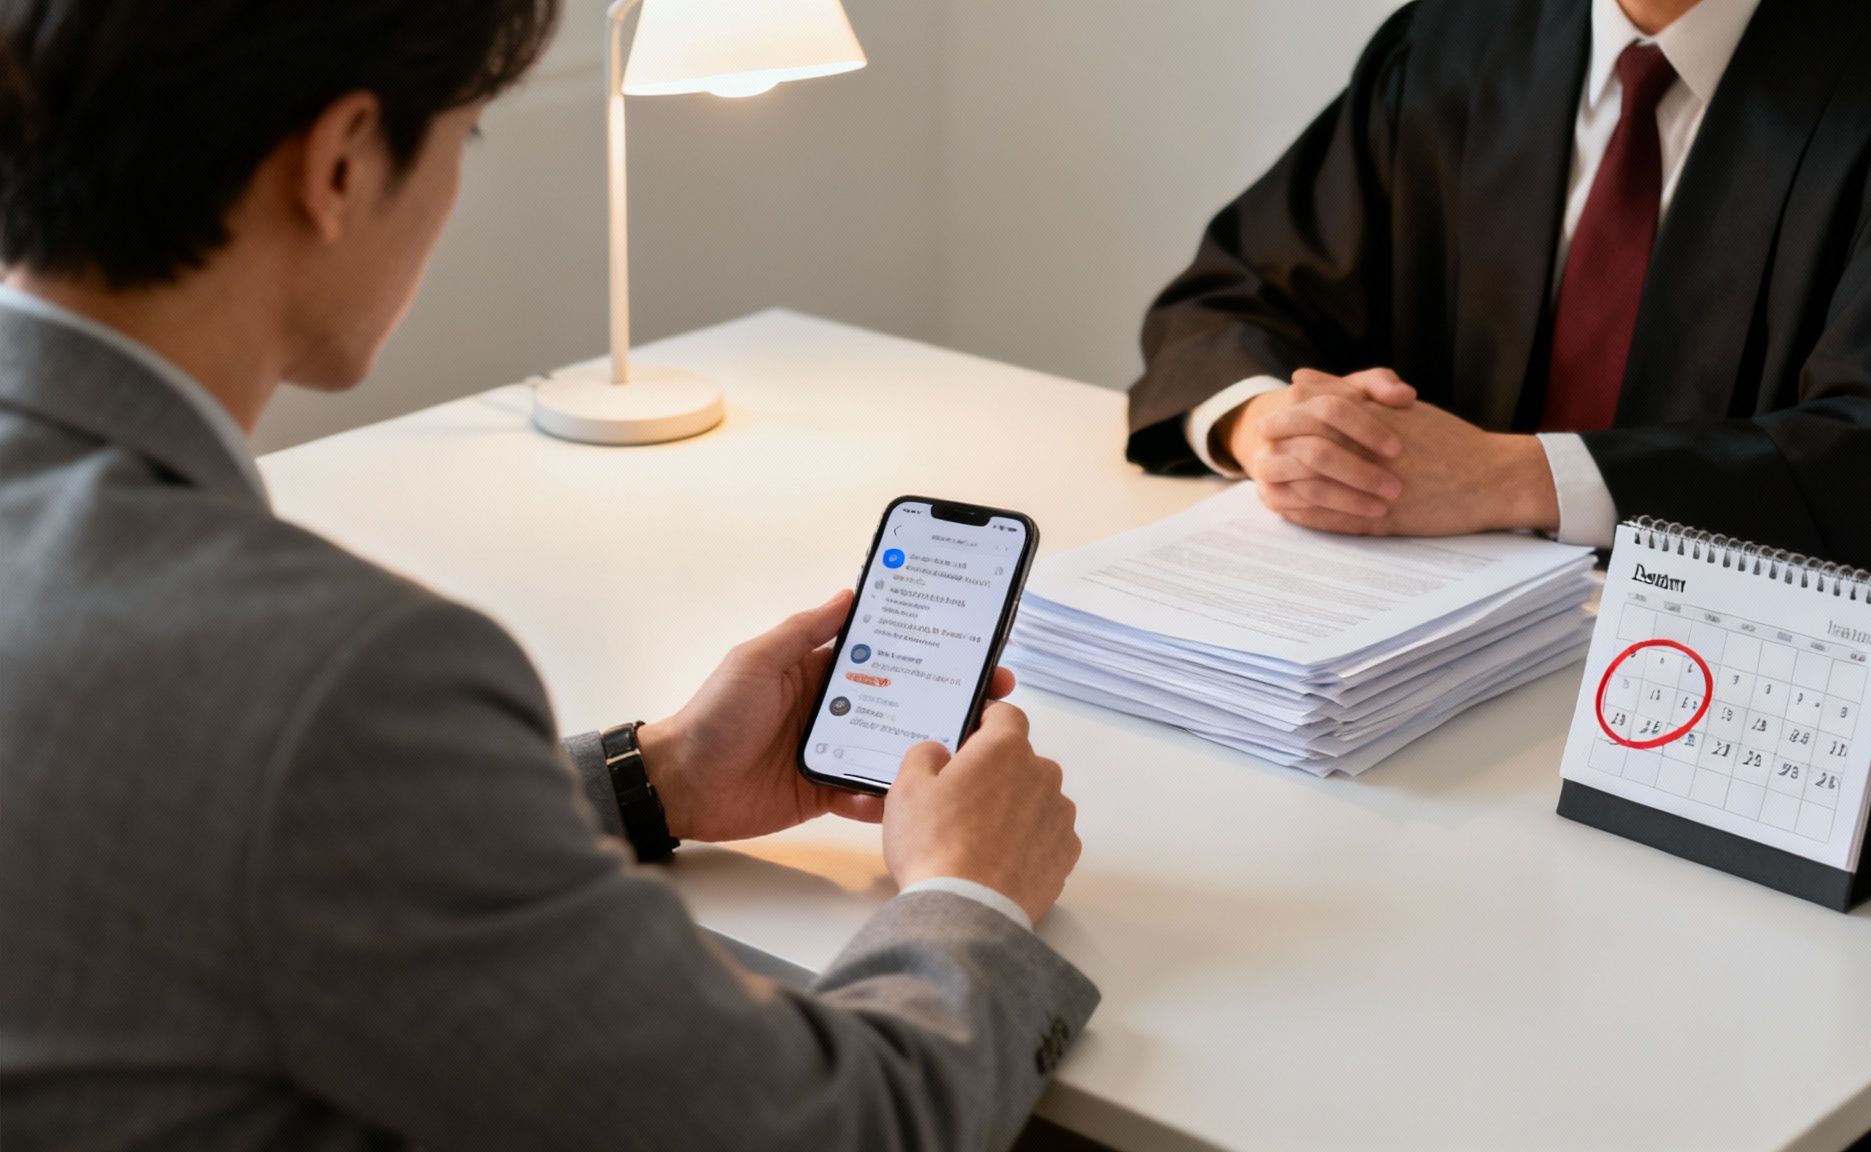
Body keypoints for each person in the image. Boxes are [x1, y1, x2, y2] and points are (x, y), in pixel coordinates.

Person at [0, 2, 1092, 1149]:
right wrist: (968, 891)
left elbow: (224, 817)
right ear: (337, 163)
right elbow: (831, 1132)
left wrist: (653, 775)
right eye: (464, 137)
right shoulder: (342, 676)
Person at [1125, 0, 1871, 586]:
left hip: (1760, 675)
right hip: (1437, 654)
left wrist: (1506, 476)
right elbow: (1228, 300)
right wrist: (1274, 430)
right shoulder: (1453, 41)